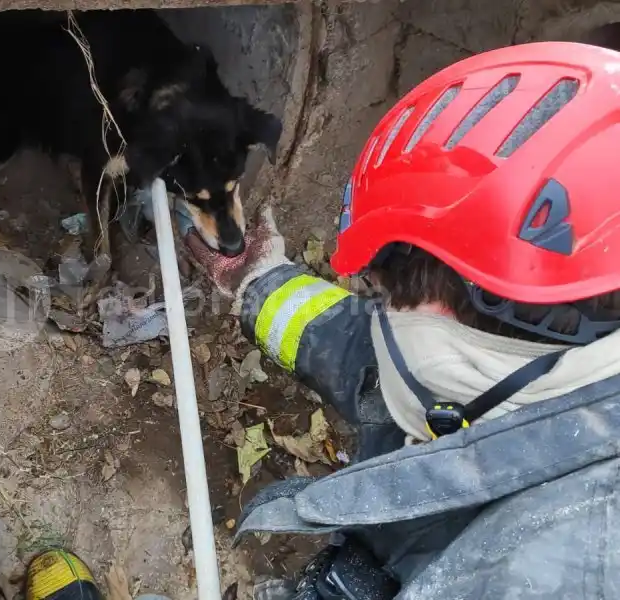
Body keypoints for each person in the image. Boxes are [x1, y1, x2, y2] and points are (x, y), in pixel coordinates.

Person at [178, 40, 620, 599]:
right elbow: (375, 363)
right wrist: (258, 280)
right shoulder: (523, 371)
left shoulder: (543, 573)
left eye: (380, 296)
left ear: (436, 322)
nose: (376, 310)